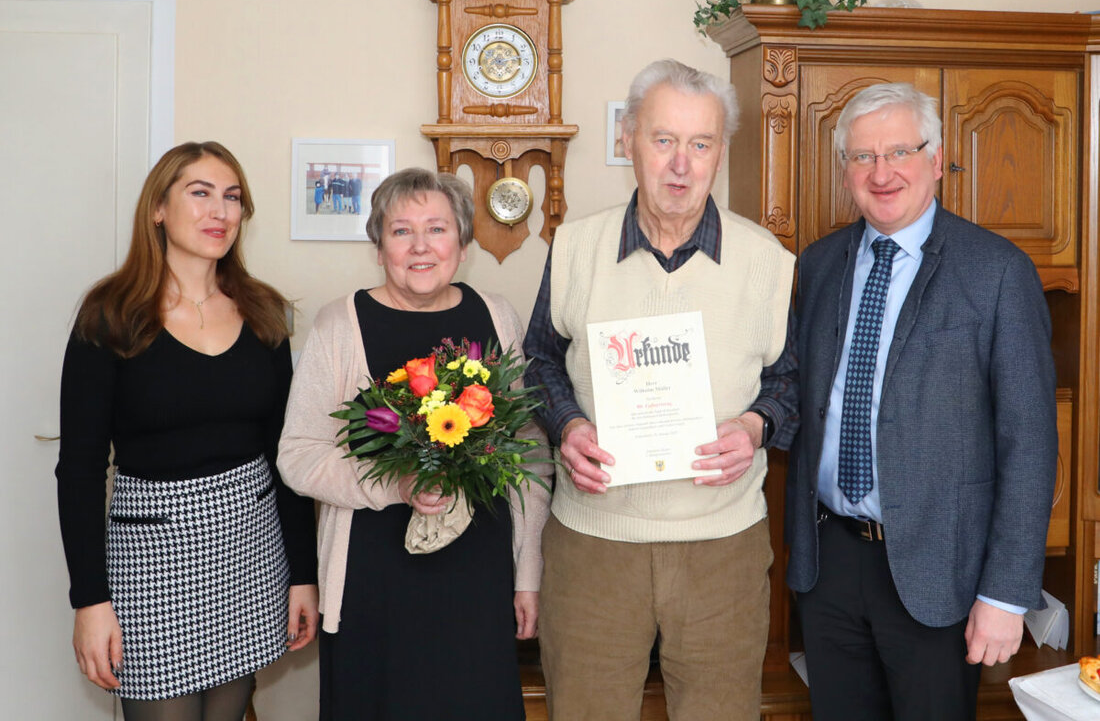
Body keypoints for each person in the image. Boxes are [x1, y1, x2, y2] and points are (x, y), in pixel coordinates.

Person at [524, 58, 797, 721]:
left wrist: (757, 426)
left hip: (722, 549)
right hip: (592, 548)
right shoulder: (573, 248)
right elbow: (538, 362)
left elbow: (792, 382)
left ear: (720, 153)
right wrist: (566, 426)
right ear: (628, 142)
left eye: (700, 144)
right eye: (663, 139)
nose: (681, 163)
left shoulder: (769, 261)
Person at [786, 82, 1057, 721]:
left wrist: (1006, 595)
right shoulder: (820, 264)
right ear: (844, 169)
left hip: (942, 574)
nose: (882, 173)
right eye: (862, 157)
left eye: (900, 151)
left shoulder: (996, 272)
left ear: (936, 159)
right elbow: (796, 398)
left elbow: (1030, 447)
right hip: (828, 565)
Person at [55, 141, 320, 720]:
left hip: (251, 547)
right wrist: (90, 602)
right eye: (199, 194)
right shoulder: (110, 314)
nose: (219, 212)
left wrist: (304, 575)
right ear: (158, 208)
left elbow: (287, 456)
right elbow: (77, 469)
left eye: (232, 198)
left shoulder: (264, 311)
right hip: (152, 560)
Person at [278, 167, 552, 720]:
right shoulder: (340, 325)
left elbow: (531, 452)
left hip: (479, 580)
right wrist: (393, 485)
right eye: (401, 231)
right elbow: (298, 454)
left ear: (463, 242)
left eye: (438, 229)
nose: (421, 246)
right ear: (379, 246)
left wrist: (528, 573)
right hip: (373, 587)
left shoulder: (496, 316)